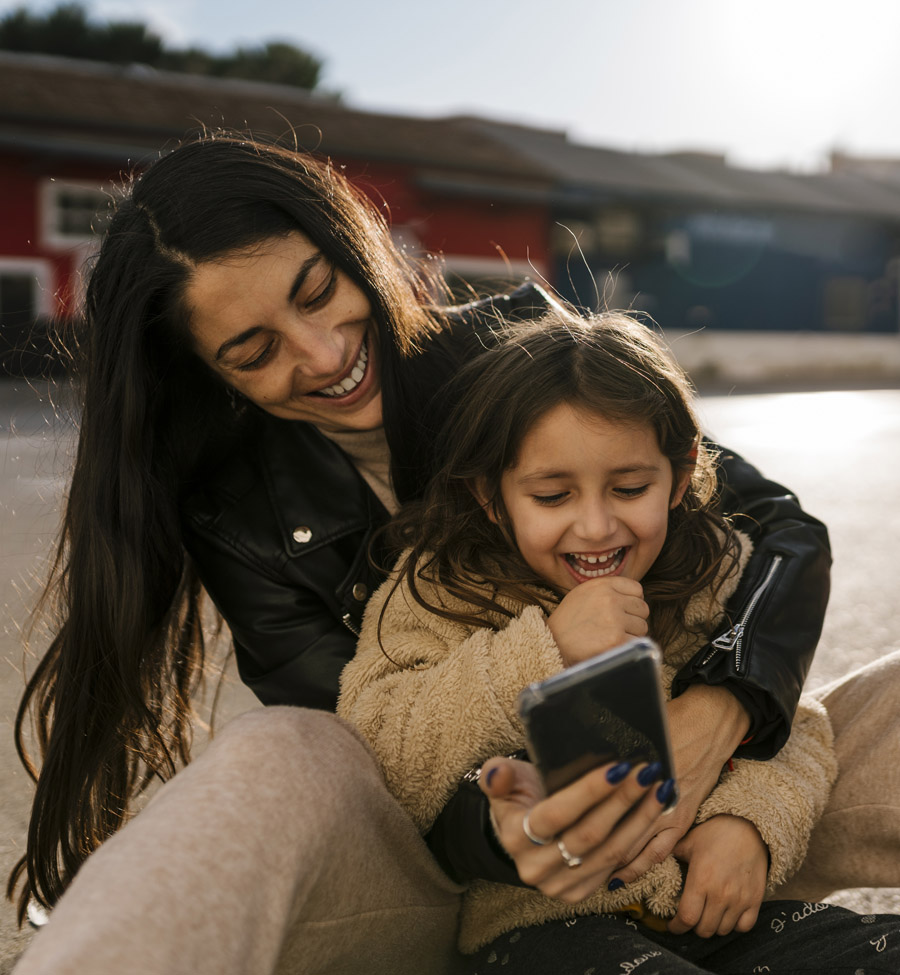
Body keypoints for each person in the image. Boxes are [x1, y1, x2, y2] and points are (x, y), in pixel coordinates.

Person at [5, 131, 857, 974]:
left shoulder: (523, 346)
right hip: (454, 889)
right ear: (208, 374)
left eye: (317, 289)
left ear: (351, 246)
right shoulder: (232, 514)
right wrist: (504, 833)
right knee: (279, 751)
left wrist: (725, 711)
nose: (326, 353)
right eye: (254, 350)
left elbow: (776, 530)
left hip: (708, 825)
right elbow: (376, 756)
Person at [336, 309, 900, 973]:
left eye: (630, 488)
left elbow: (791, 723)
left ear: (680, 477)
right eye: (552, 495)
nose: (597, 525)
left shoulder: (707, 567)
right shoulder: (439, 588)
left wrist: (749, 822)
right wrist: (542, 648)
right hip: (544, 930)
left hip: (714, 911)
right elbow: (378, 747)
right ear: (491, 496)